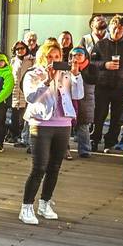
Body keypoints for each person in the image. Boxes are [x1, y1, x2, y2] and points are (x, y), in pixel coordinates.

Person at [20, 39, 85, 224]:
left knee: (54, 167)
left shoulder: (65, 74)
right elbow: (31, 97)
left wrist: (76, 75)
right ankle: (26, 207)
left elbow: (78, 95)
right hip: (41, 123)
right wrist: (47, 80)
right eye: (50, 56)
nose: (53, 60)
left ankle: (45, 202)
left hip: (63, 123)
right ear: (42, 57)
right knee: (39, 167)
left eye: (57, 56)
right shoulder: (33, 73)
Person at [88, 15, 123, 153]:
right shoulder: (100, 44)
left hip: (121, 86)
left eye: (120, 29)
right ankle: (94, 140)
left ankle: (110, 143)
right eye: (114, 28)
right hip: (102, 85)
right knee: (99, 115)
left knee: (117, 118)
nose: (117, 31)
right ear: (109, 28)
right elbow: (91, 64)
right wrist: (105, 64)